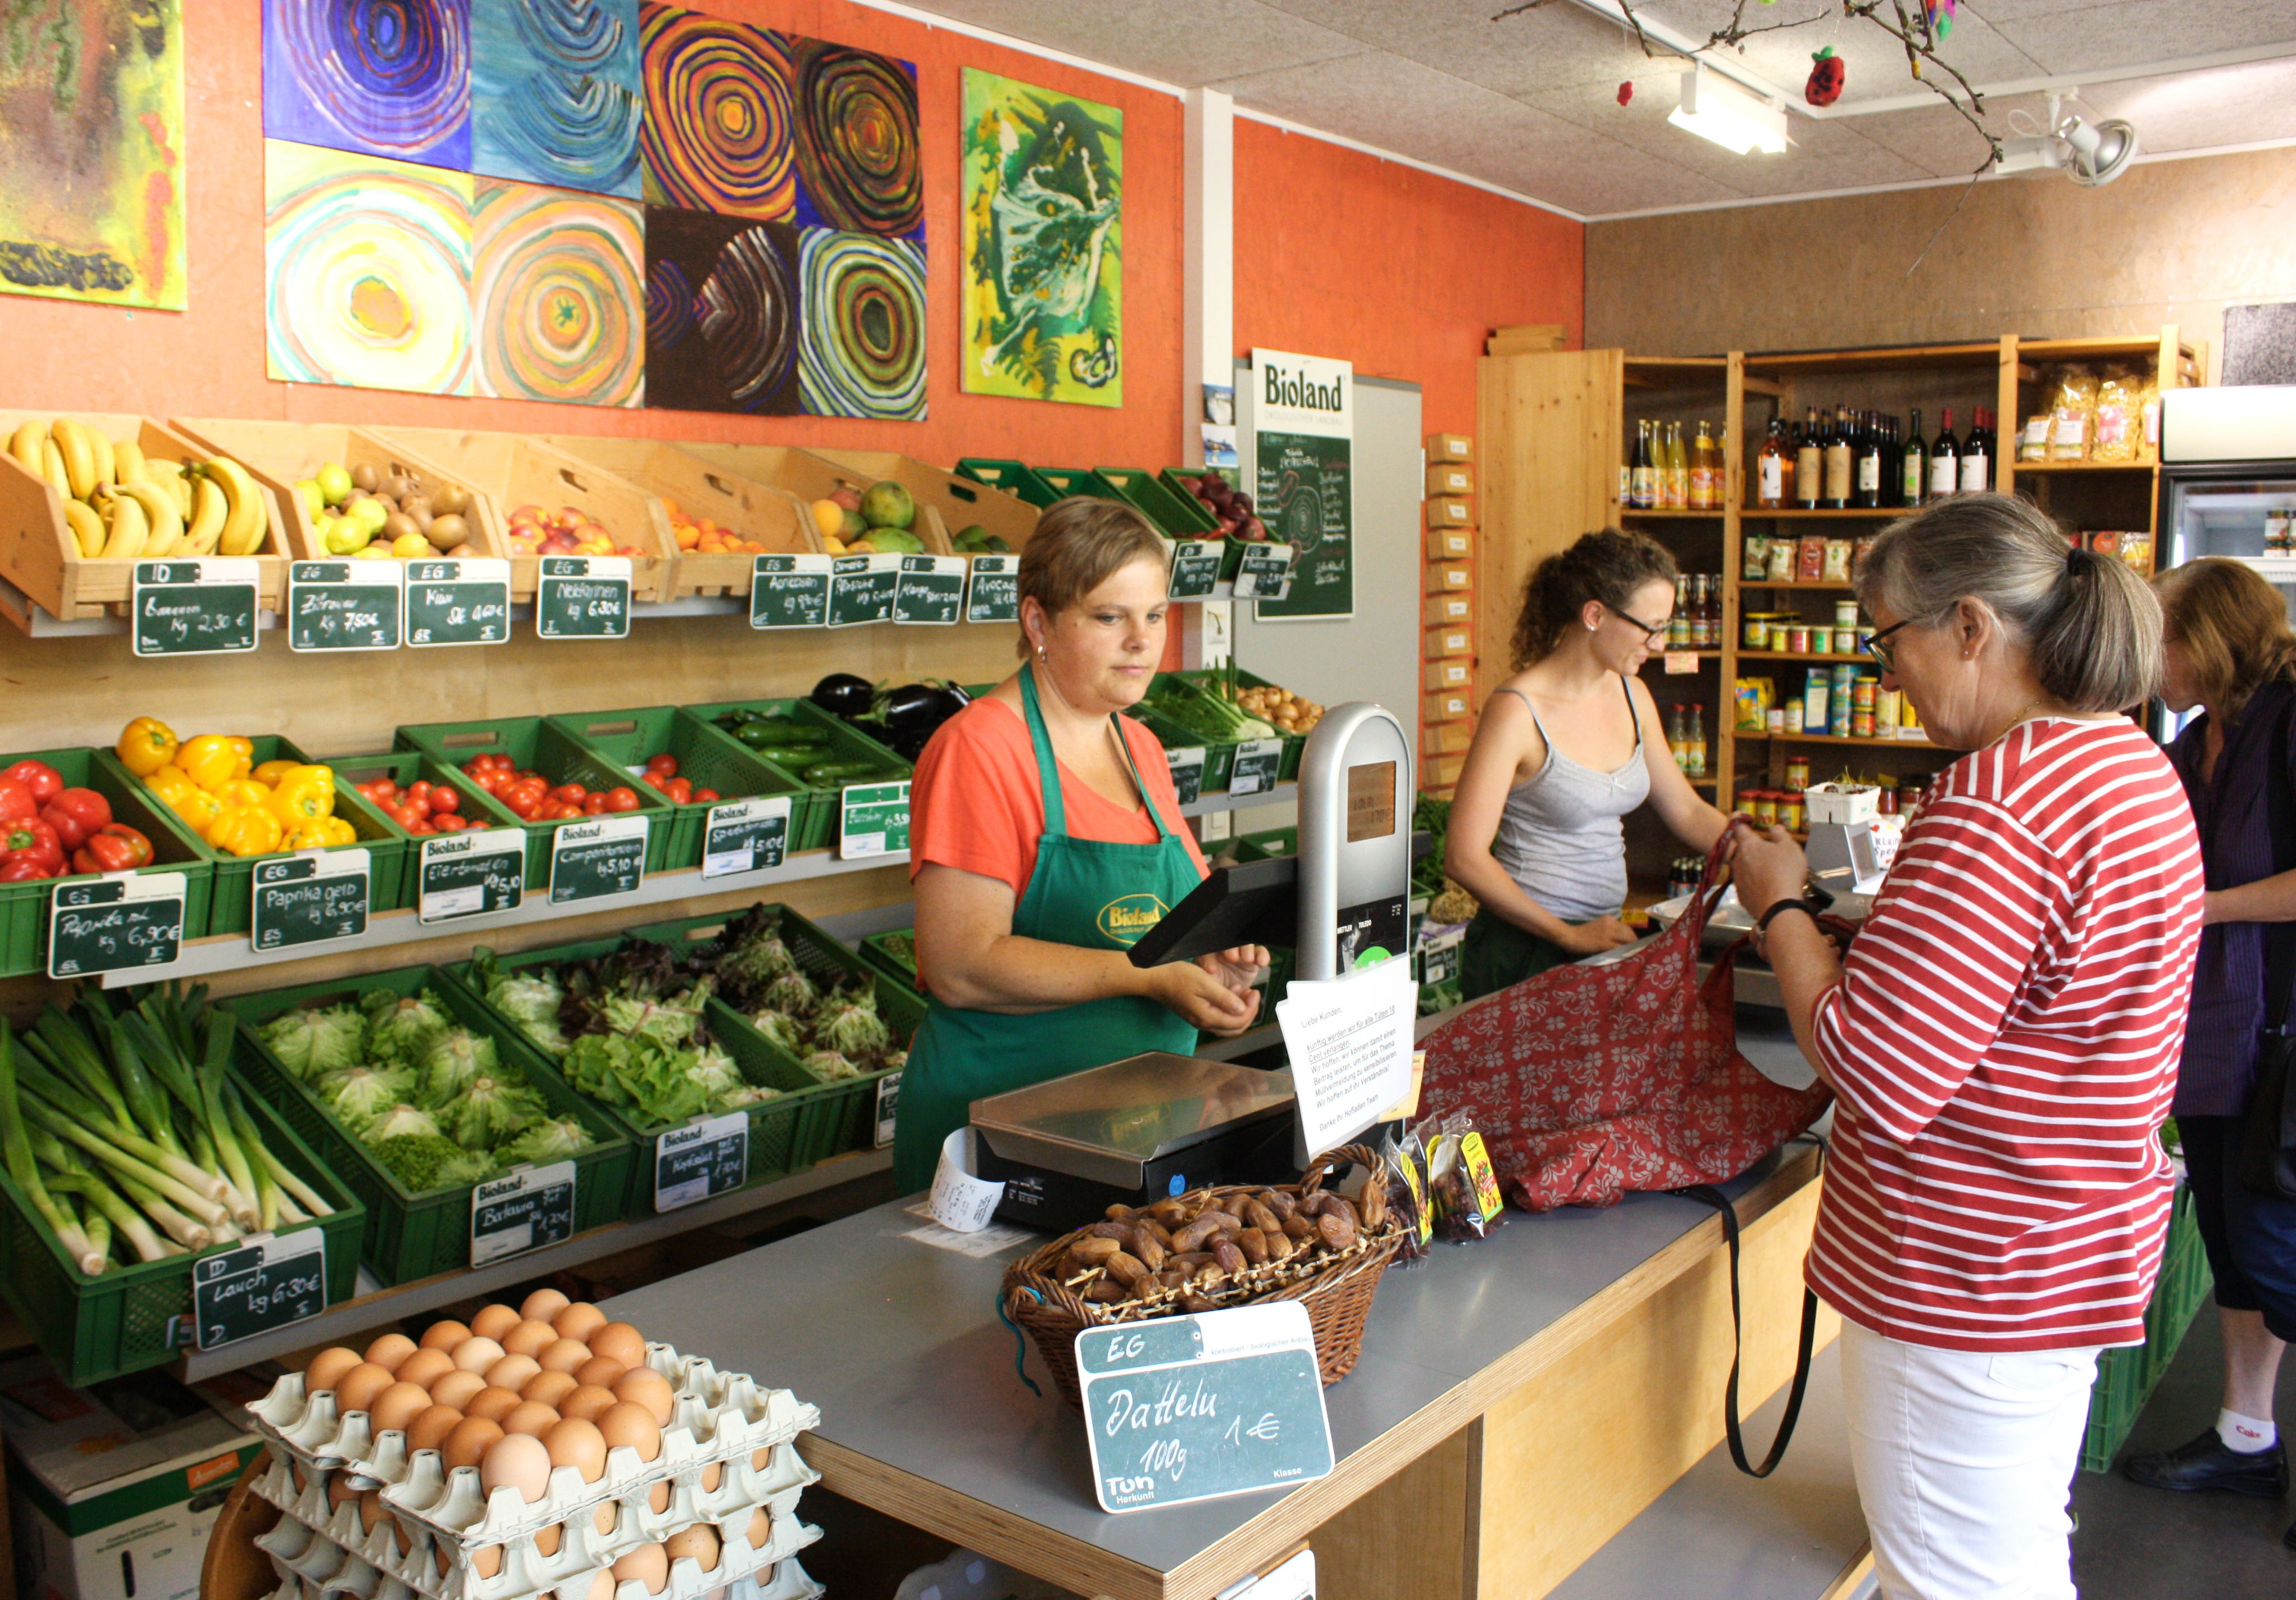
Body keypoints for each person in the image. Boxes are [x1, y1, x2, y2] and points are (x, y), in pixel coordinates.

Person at [1729, 494, 2205, 1599]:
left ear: (1972, 624)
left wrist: (1782, 907)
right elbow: (2037, 1001)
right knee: (2012, 1558)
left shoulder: (1999, 801)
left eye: (1888, 636)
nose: (1886, 669)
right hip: (2060, 1250)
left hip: (1964, 1274)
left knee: (1958, 1581)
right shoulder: (2124, 765)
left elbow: (1875, 1070)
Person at [892, 499, 1270, 1194]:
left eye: (1155, 615)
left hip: (1134, 1132)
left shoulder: (1140, 746)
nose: (1142, 641)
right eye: (1108, 617)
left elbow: (1175, 925)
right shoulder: (981, 750)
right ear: (1038, 621)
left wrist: (1217, 965)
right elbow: (961, 965)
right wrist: (1146, 977)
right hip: (1001, 1143)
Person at [2123, 557, 2296, 1526]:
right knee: (2232, 1242)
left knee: (2277, 1247)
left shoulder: (2288, 720)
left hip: (2282, 1032)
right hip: (2213, 1035)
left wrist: (2206, 906)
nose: (2150, 660)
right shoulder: (2194, 743)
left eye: (2161, 638)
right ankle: (2245, 1436)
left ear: (2209, 637)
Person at [1445, 528, 1727, 998]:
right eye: (1650, 628)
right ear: (1595, 614)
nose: (1658, 645)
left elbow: (1687, 810)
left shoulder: (1632, 694)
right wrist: (1566, 935)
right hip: (1524, 950)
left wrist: (1750, 849)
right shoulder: (1516, 712)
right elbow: (1464, 857)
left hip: (1600, 939)